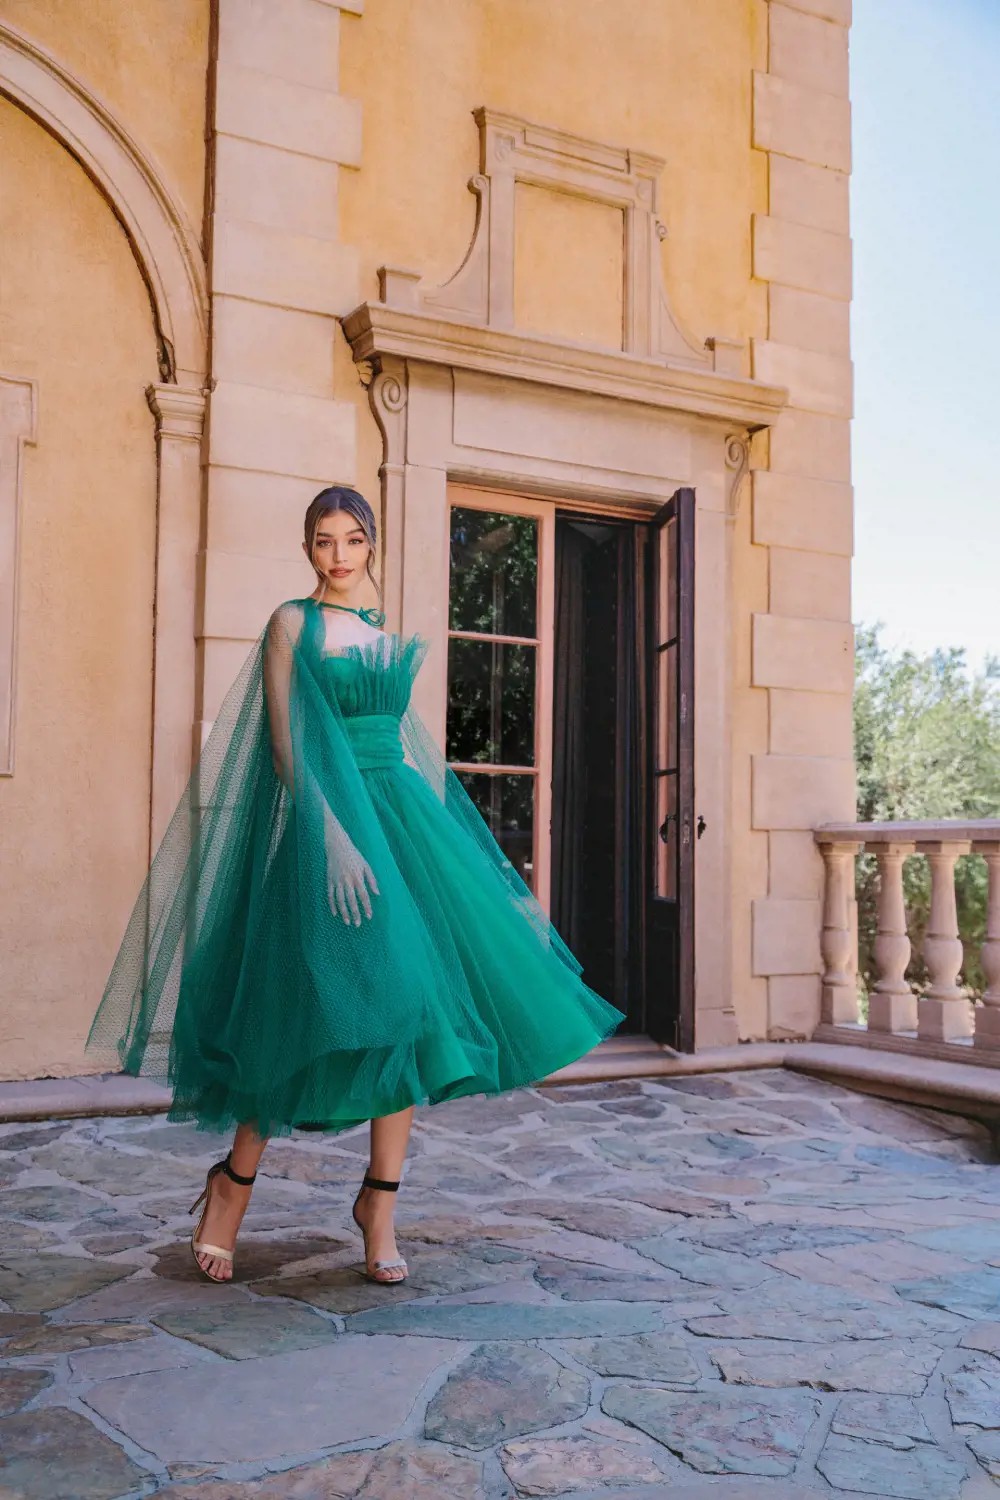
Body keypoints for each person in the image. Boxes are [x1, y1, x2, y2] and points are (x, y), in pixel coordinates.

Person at [87, 485, 623, 1285]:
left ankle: (380, 1202)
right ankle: (230, 1190)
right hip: (328, 833)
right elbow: (286, 748)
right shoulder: (292, 624)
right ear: (308, 548)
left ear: (372, 546)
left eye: (352, 540)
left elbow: (400, 749)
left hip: (399, 825)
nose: (339, 555)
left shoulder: (379, 635)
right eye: (324, 541)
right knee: (293, 1011)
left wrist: (448, 854)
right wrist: (332, 839)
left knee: (409, 1006)